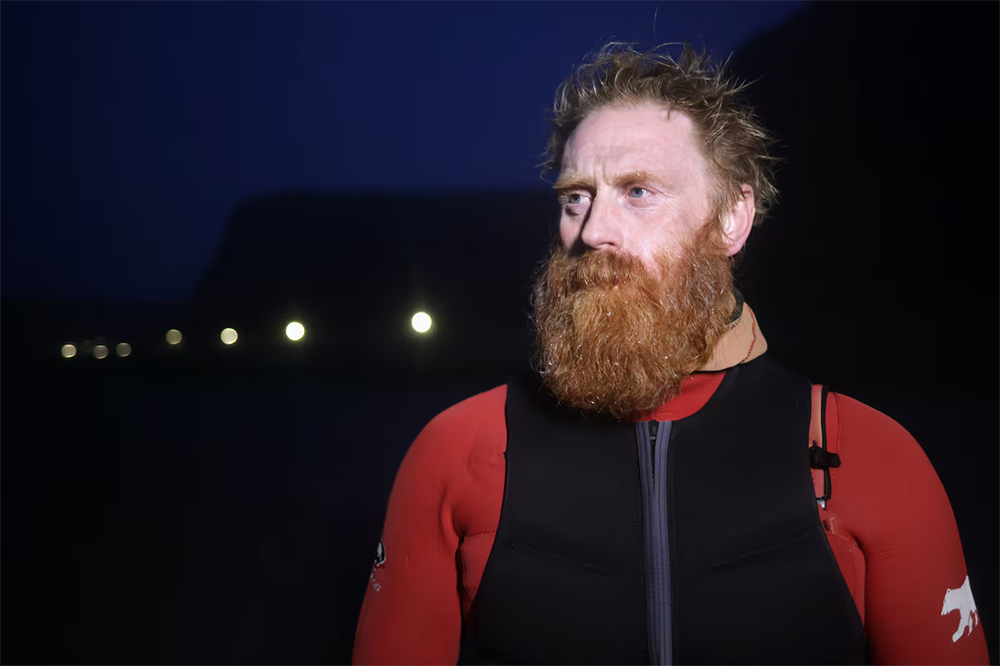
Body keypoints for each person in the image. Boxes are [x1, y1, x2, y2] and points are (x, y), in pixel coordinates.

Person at [352, 43, 988, 665]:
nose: (593, 231)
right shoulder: (459, 450)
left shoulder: (867, 455)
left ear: (731, 218)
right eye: (576, 197)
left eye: (638, 192)